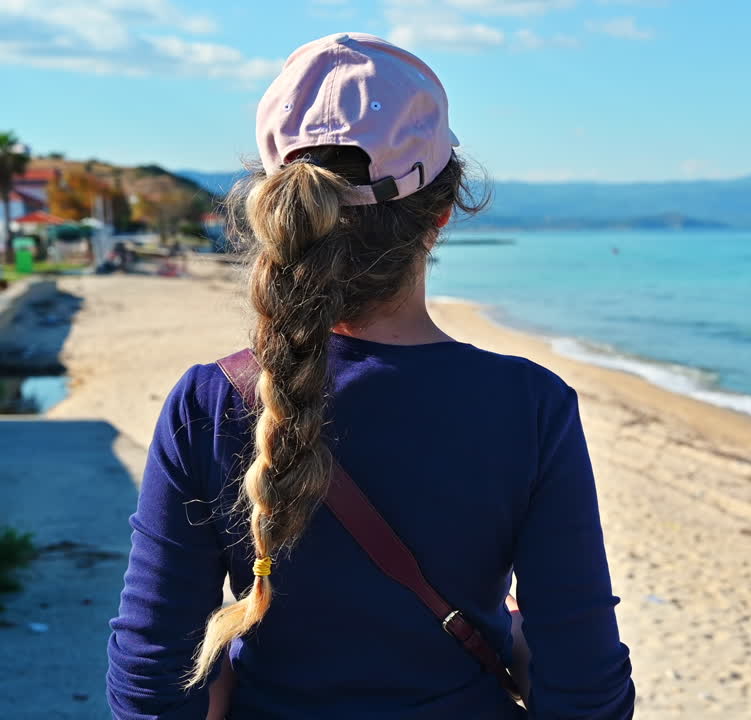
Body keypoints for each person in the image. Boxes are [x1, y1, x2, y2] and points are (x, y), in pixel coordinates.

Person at [106, 33, 635, 719]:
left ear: (281, 214)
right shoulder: (529, 407)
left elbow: (153, 683)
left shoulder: (209, 404)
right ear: (440, 217)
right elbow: (586, 693)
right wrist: (519, 639)